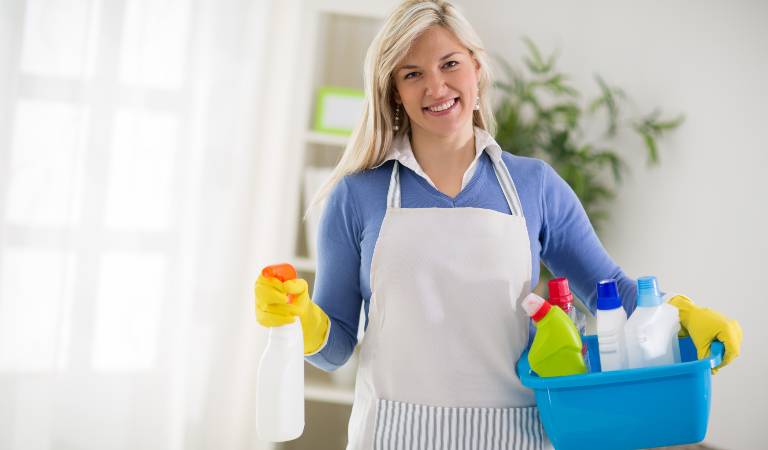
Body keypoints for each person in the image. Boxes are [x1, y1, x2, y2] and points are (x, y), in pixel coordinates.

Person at [254, 1, 743, 449]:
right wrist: (300, 319)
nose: (436, 87)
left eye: (450, 64)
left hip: (515, 435)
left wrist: (681, 318)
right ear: (394, 93)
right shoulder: (356, 196)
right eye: (412, 74)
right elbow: (335, 347)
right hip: (392, 434)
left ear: (477, 67)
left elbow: (610, 292)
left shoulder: (535, 186)